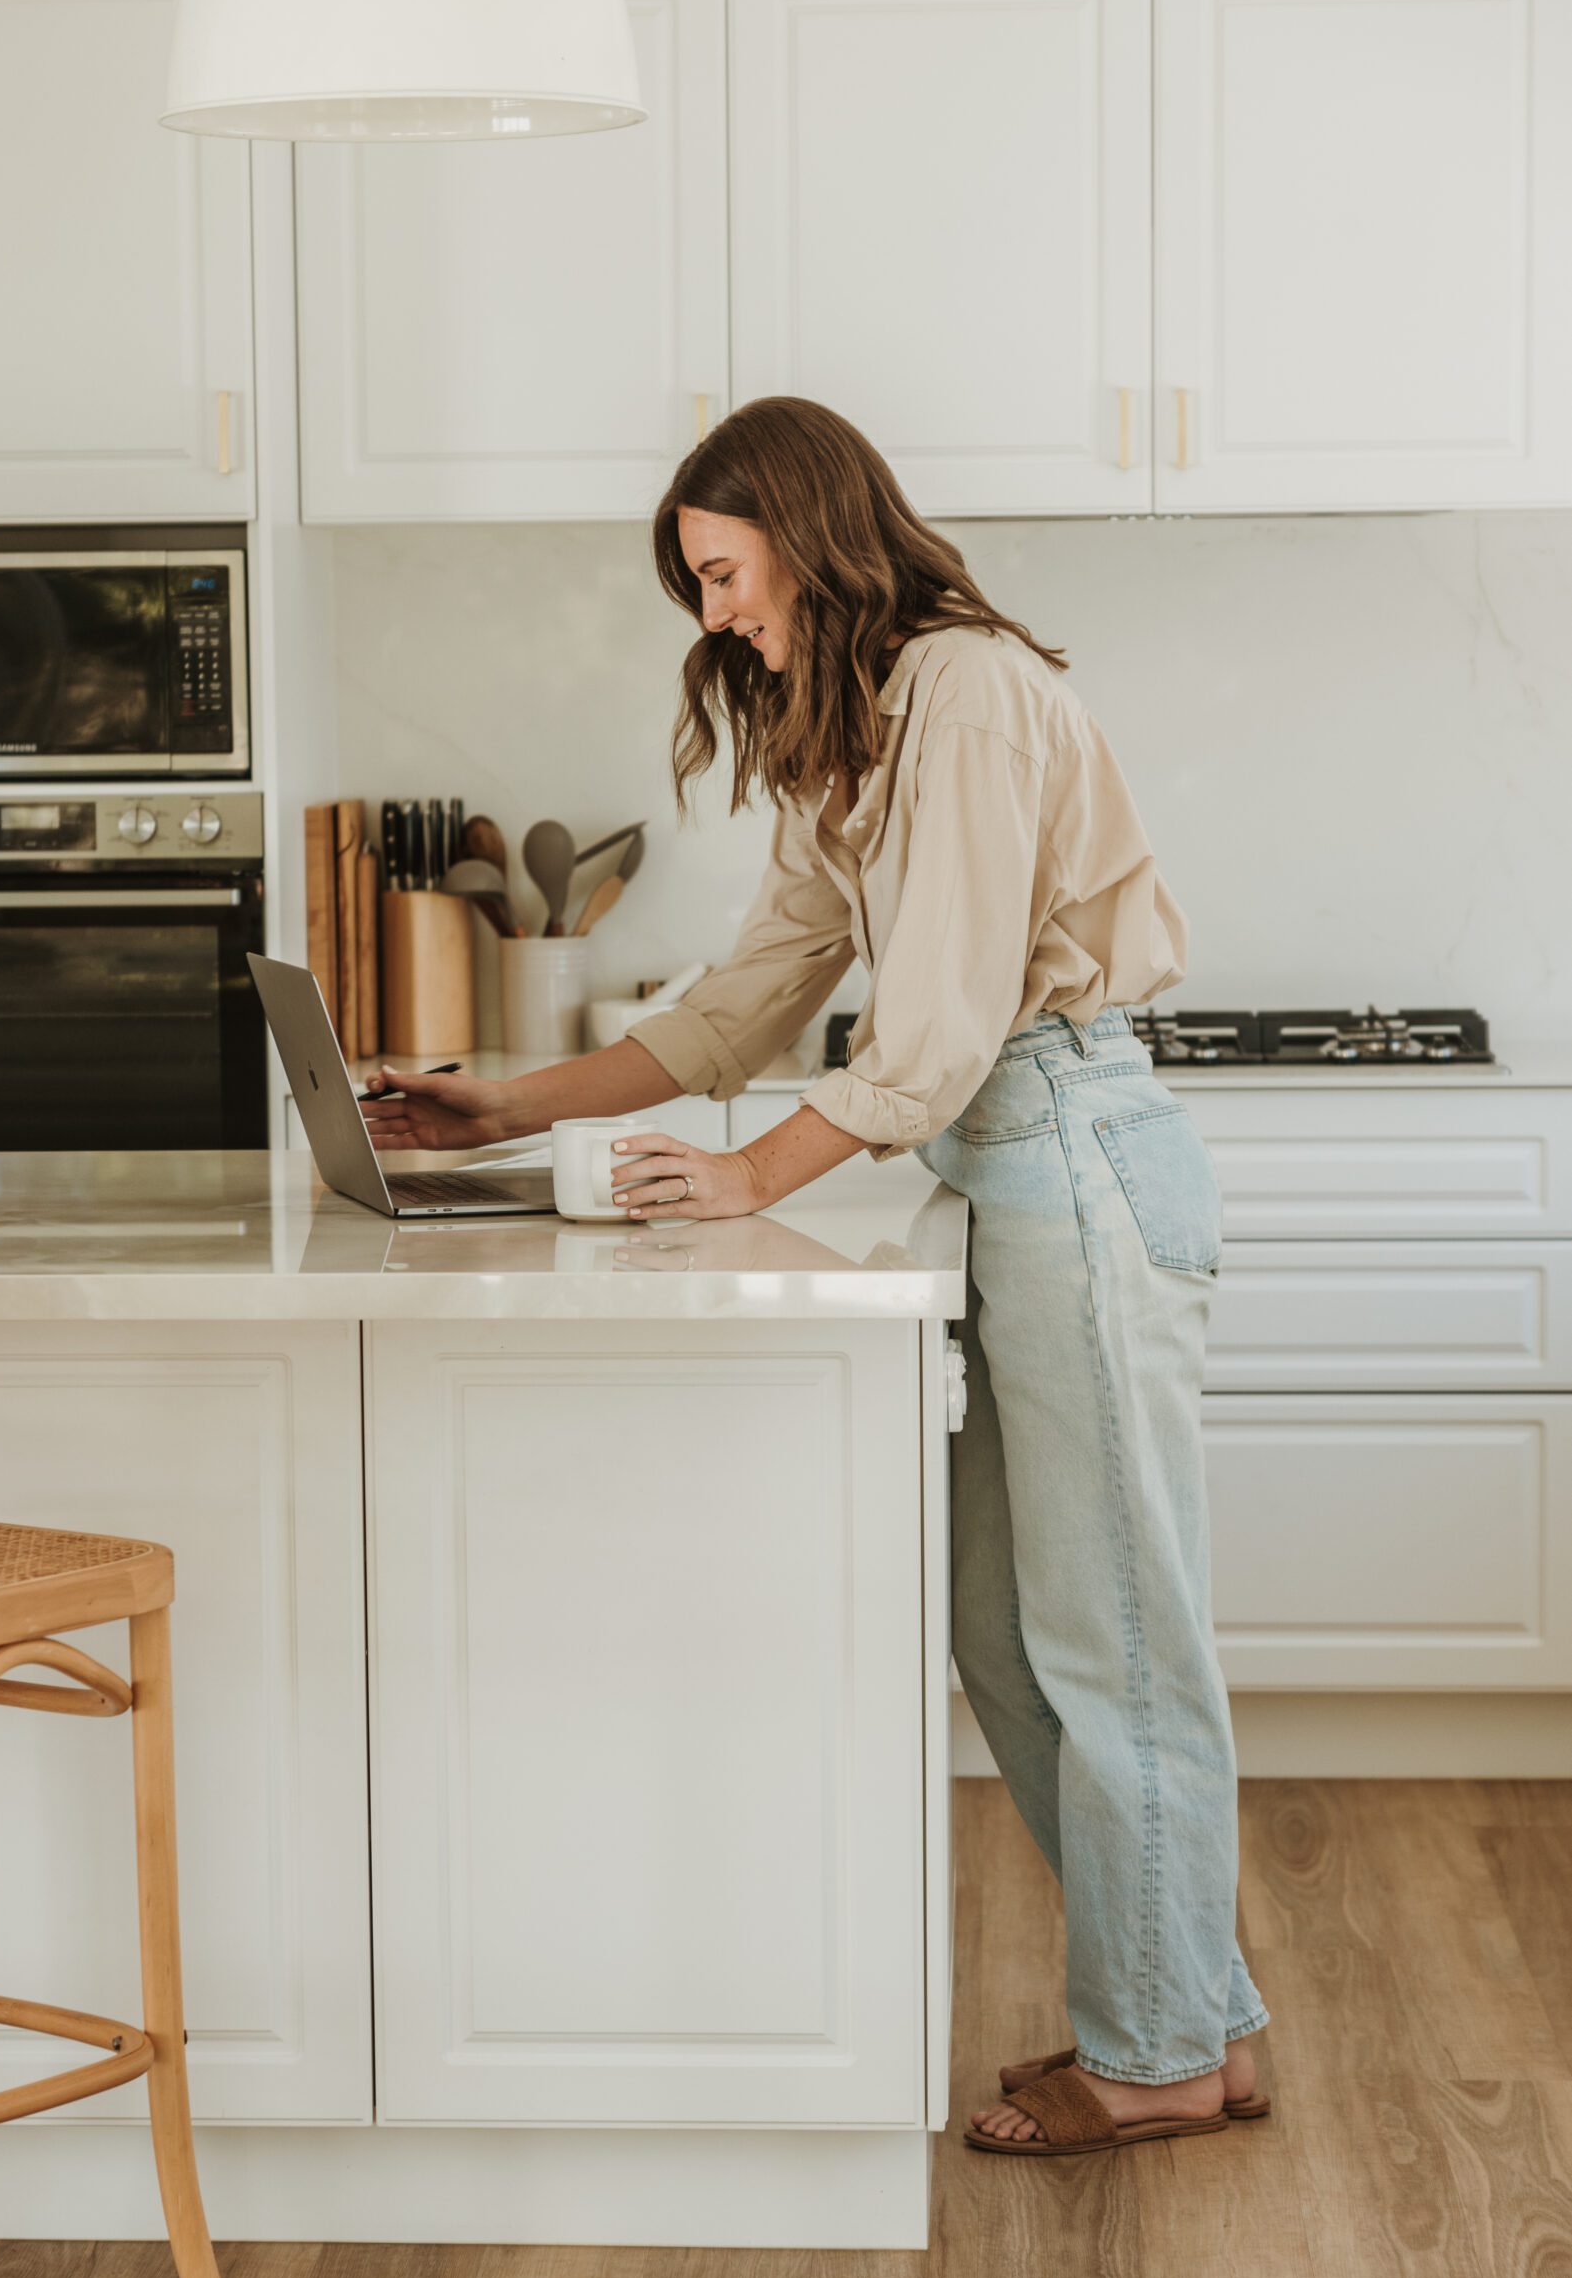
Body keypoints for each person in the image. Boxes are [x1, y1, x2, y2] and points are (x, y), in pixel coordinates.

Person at [360, 395, 1270, 2158]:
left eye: (718, 570)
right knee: (1008, 1639)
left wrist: (751, 1173)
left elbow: (929, 1026)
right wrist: (500, 1107)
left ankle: (1154, 2052)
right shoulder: (853, 726)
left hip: (1073, 1148)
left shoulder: (969, 692)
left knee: (1114, 1641)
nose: (711, 615)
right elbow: (750, 994)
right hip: (1007, 1166)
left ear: (805, 526)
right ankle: (1192, 2022)